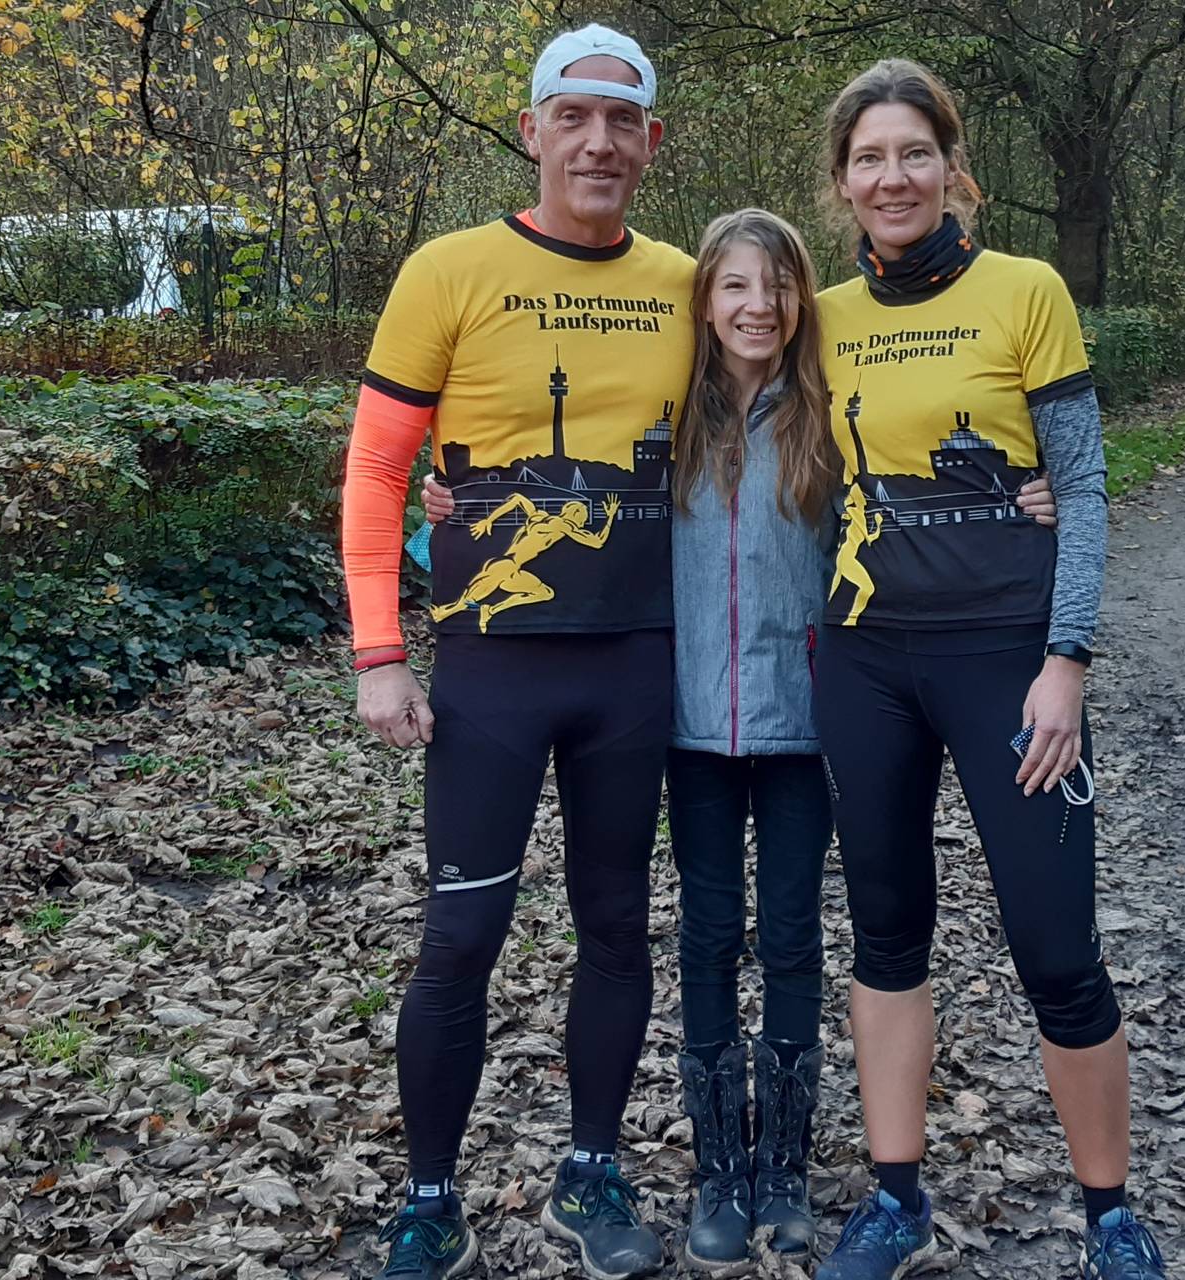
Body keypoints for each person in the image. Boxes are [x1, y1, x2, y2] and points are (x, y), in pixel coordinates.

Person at [422, 213, 1058, 1270]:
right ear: (704, 302)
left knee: (798, 938)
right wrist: (444, 502)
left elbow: (917, 492)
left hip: (808, 720)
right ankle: (720, 1168)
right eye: (734, 288)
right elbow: (547, 501)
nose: (757, 306)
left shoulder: (825, 418)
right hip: (688, 725)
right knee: (709, 938)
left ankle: (785, 1174)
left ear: (802, 300)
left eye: (777, 287)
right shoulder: (665, 421)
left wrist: (1022, 498)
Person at [801, 59, 1166, 1280]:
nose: (891, 177)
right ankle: (895, 1196)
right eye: (868, 159)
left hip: (1010, 661)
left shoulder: (1027, 290)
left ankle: (1109, 1208)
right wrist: (470, 496)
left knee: (1058, 945)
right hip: (864, 658)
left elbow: (1087, 481)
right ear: (842, 184)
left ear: (954, 169)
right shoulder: (822, 313)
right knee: (887, 930)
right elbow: (718, 438)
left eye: (913, 154)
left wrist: (1067, 660)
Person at [340, 24, 691, 1280]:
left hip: (636, 661)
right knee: (460, 937)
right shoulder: (448, 269)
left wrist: (1025, 493)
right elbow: (381, 468)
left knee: (614, 926)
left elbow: (782, 428)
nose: (598, 141)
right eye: (573, 115)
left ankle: (591, 1169)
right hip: (490, 666)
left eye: (622, 121)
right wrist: (382, 651)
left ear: (652, 143)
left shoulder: (687, 280)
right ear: (532, 127)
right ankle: (429, 1194)